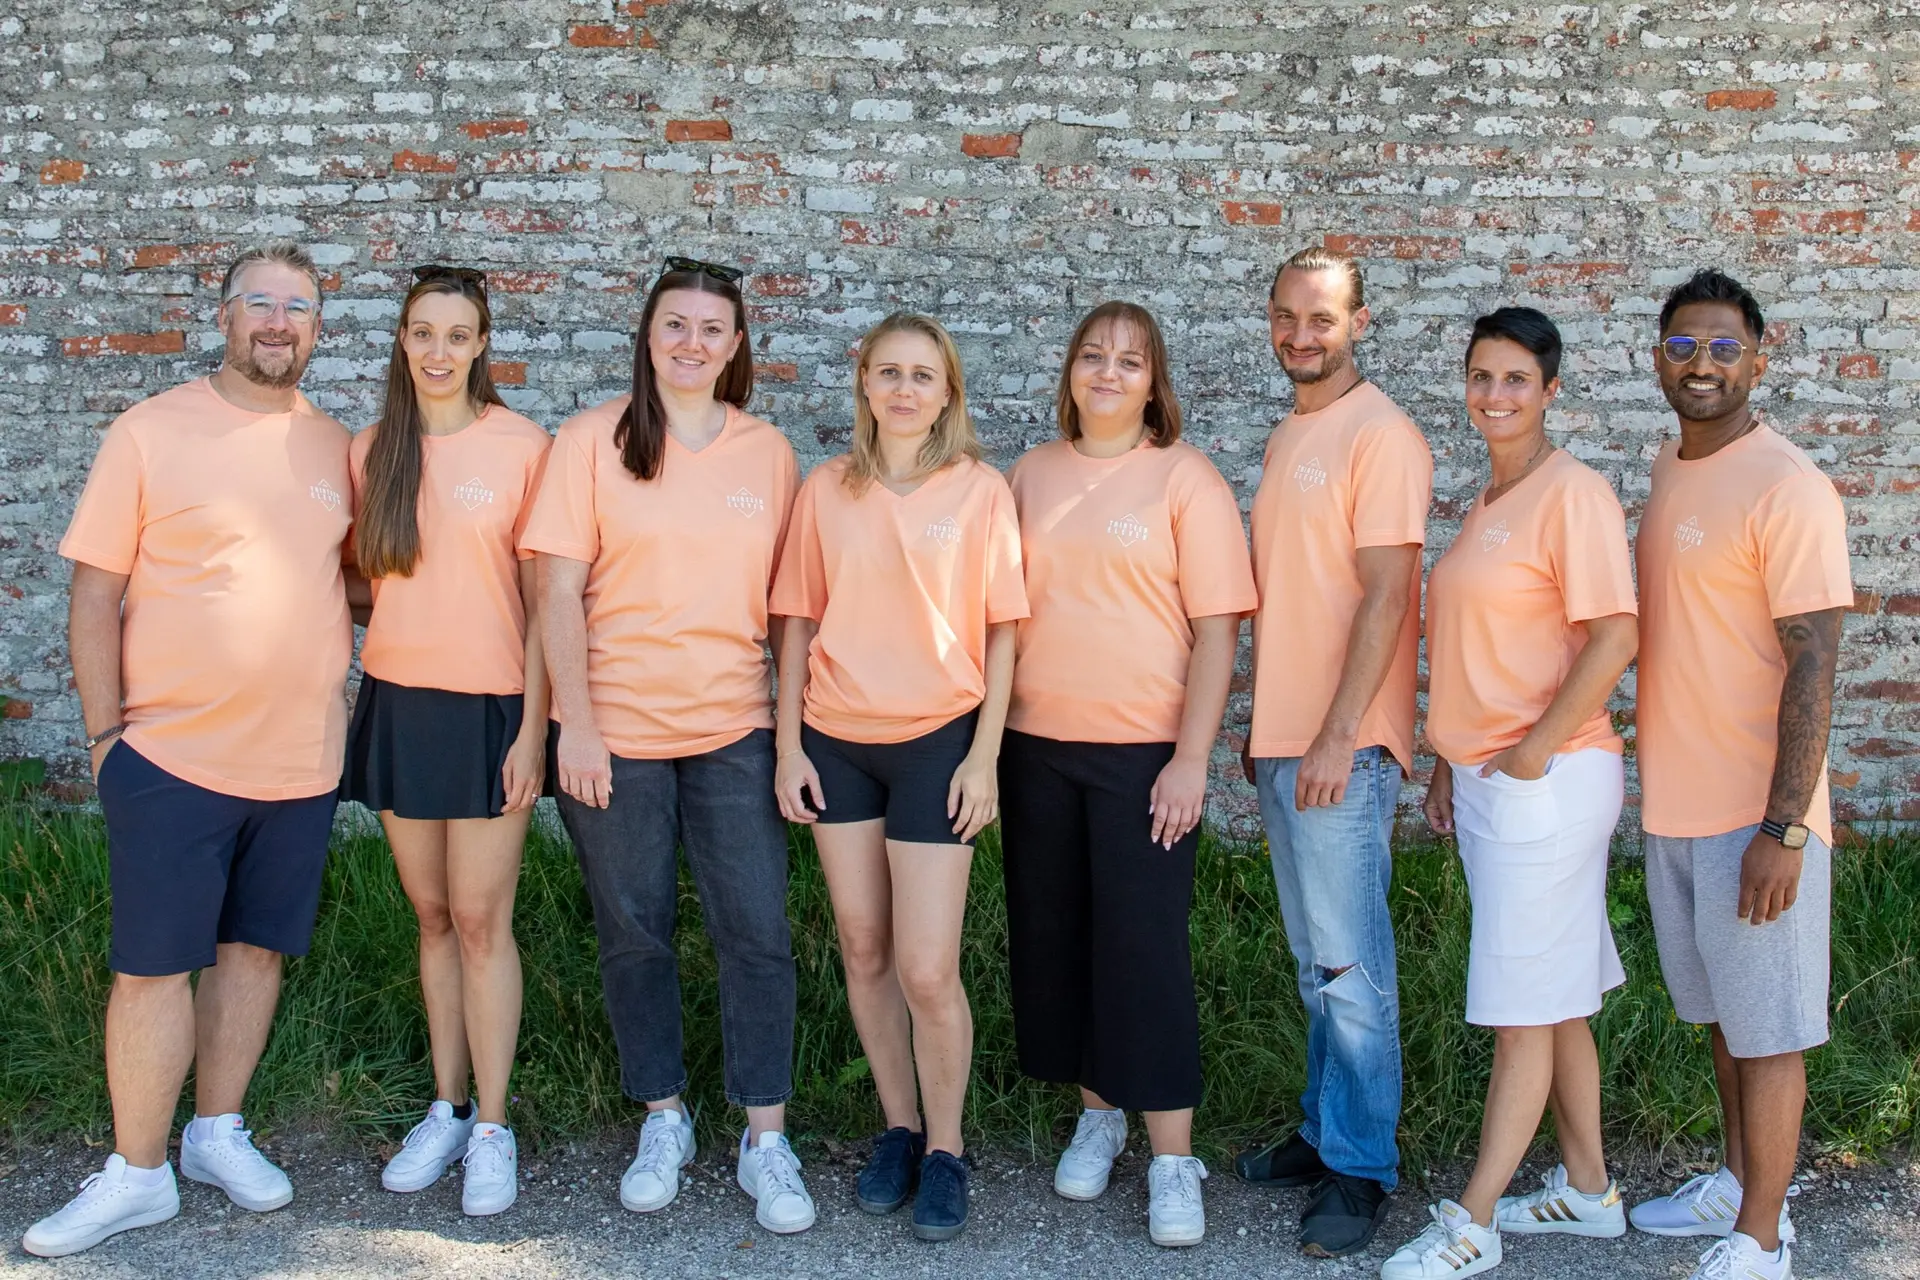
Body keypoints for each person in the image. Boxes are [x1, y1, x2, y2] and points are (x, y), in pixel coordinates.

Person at [26, 242, 352, 1257]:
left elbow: (352, 581)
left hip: (302, 761)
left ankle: (214, 1132)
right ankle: (137, 1171)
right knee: (154, 967)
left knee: (254, 951)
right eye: (261, 302)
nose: (278, 321)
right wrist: (106, 739)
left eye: (298, 307)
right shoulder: (150, 430)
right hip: (170, 757)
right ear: (224, 315)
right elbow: (94, 595)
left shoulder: (335, 447)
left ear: (316, 328)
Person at [520, 256, 814, 1234]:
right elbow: (557, 592)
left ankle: (765, 1137)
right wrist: (577, 724)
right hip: (616, 735)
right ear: (648, 335)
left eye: (711, 328)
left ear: (736, 346)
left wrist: (788, 739)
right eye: (675, 324)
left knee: (756, 932)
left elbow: (789, 612)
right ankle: (664, 1117)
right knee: (634, 930)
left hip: (735, 730)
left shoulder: (767, 453)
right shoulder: (589, 441)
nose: (692, 342)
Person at [1380, 308, 1639, 1279]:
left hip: (1550, 781)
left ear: (1551, 390)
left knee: (1523, 1007)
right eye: (1481, 376)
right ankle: (1591, 1188)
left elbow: (1615, 635)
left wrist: (1529, 752)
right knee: (1556, 997)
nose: (1495, 395)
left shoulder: (1574, 494)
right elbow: (1486, 650)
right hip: (1497, 781)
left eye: (1516, 379)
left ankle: (1475, 1218)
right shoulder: (1491, 501)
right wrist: (1452, 756)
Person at [999, 301, 1256, 1248]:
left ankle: (1173, 1159)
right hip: (1035, 749)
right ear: (1070, 371)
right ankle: (1098, 1114)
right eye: (1093, 356)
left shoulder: (1185, 478)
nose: (1108, 373)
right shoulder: (1029, 474)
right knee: (1060, 943)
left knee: (1143, 952)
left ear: (1155, 384)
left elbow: (1218, 630)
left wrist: (1191, 759)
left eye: (1131, 362)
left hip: (1145, 758)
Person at [770, 312, 1028, 1243]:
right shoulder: (826, 489)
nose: (905, 389)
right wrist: (789, 745)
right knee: (864, 947)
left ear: (947, 390)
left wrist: (985, 755)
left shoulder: (981, 491)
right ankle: (900, 1130)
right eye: (889, 373)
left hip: (937, 742)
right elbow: (796, 621)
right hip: (836, 740)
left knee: (926, 965)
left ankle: (948, 1149)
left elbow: (1004, 630)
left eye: (923, 375)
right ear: (865, 385)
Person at [1628, 269, 1850, 1280]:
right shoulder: (1672, 466)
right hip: (1678, 805)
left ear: (1760, 359)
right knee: (1725, 1016)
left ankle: (1764, 1236)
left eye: (1724, 347)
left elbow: (1816, 660)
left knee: (1770, 1033)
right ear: (1658, 358)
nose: (1702, 364)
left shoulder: (1787, 486)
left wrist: (1785, 827)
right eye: (1684, 345)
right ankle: (1734, 1182)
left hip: (1756, 816)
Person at [339, 265, 551, 1216]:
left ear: (481, 345)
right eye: (422, 332)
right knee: (430, 917)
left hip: (492, 711)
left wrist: (534, 731)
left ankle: (496, 1126)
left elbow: (548, 605)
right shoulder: (372, 449)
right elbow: (355, 578)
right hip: (399, 704)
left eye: (457, 335)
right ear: (402, 339)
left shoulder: (523, 447)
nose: (438, 351)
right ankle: (449, 1106)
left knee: (479, 919)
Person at [1234, 245, 1432, 1259]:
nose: (1300, 334)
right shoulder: (1291, 434)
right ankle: (1324, 1131)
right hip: (1288, 739)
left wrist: (1338, 732)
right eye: (1286, 316)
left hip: (1339, 745)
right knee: (1317, 962)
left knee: (1352, 966)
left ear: (1360, 322)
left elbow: (1389, 592)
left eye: (1321, 318)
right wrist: (1267, 728)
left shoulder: (1381, 435)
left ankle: (1362, 1167)